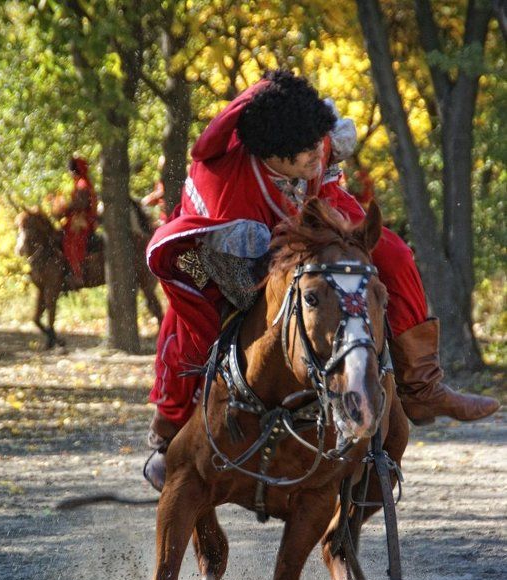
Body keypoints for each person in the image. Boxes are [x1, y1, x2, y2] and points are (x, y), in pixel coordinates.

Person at [144, 71, 499, 490]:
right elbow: (237, 269)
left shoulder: (309, 136)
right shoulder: (226, 185)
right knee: (192, 324)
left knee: (394, 254)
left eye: (320, 143)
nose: (318, 153)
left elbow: (320, 159)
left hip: (315, 211)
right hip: (234, 241)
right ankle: (170, 429)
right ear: (272, 155)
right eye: (307, 152)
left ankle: (422, 385)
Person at [58, 157, 98, 286]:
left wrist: (65, 208)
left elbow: (81, 203)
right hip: (78, 219)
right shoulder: (81, 182)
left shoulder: (82, 184)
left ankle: (77, 274)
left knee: (71, 241)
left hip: (83, 220)